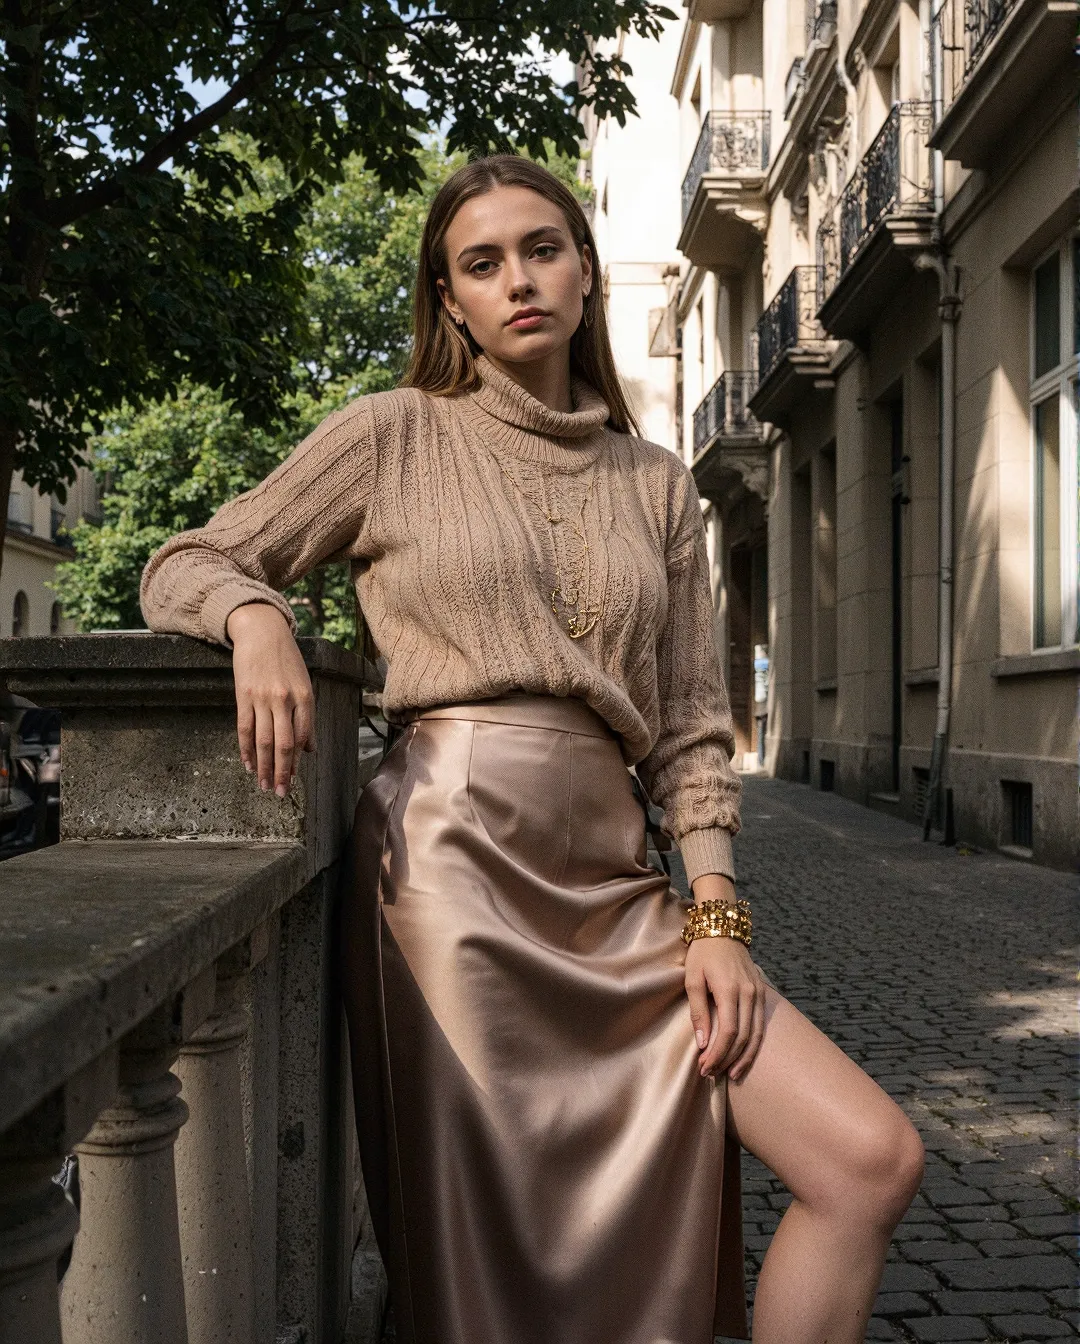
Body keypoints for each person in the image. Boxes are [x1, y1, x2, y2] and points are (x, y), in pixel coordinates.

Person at [141, 154, 924, 1344]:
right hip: (450, 879)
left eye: (542, 249)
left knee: (868, 1159)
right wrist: (254, 617)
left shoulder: (659, 487)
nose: (518, 281)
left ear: (586, 273)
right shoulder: (391, 437)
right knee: (492, 1268)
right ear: (448, 299)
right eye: (482, 262)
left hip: (620, 885)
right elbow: (187, 559)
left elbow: (693, 733)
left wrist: (713, 918)